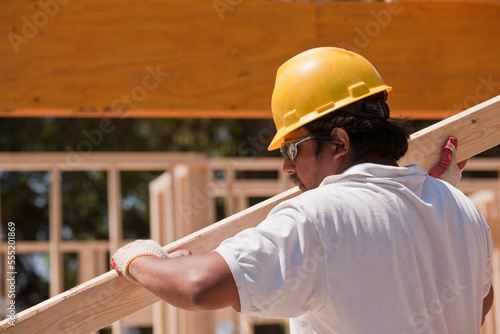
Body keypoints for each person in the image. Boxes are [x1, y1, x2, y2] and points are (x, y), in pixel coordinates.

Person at [111, 47, 493, 333]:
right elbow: (480, 302)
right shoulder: (459, 207)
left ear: (339, 143)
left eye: (293, 148)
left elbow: (197, 286)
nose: (287, 166)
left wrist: (139, 260)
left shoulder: (320, 214)